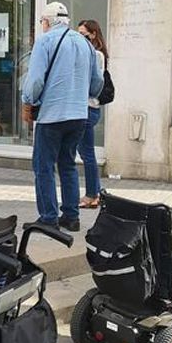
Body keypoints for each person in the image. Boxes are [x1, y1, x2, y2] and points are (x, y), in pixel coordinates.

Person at [21, 2, 102, 232]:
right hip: (79, 114)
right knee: (67, 164)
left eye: (42, 22)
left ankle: (48, 217)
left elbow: (35, 80)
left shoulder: (45, 41)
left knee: (43, 166)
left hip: (52, 115)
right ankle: (71, 216)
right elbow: (97, 83)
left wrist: (28, 100)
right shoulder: (85, 43)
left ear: (47, 22)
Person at [76, 19, 109, 210]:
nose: (80, 38)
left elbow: (94, 83)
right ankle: (95, 193)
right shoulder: (90, 53)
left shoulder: (95, 55)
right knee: (86, 153)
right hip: (88, 107)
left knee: (87, 154)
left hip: (88, 108)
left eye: (83, 34)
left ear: (93, 35)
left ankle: (92, 195)